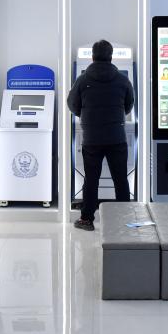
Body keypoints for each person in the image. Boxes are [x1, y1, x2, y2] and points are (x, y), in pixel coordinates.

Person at [67, 39, 135, 231]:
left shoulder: (82, 80)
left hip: (92, 137)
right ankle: (124, 220)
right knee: (120, 179)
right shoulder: (123, 80)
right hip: (116, 137)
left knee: (91, 179)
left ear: (92, 56)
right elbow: (129, 104)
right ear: (111, 56)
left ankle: (87, 219)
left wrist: (85, 115)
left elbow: (72, 104)